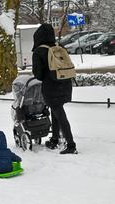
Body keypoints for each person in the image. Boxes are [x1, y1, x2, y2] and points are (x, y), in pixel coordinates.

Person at [32, 23, 78, 154]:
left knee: (59, 113)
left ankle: (71, 144)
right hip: (66, 83)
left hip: (51, 88)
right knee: (56, 110)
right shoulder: (59, 47)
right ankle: (55, 139)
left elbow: (39, 75)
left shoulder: (39, 51)